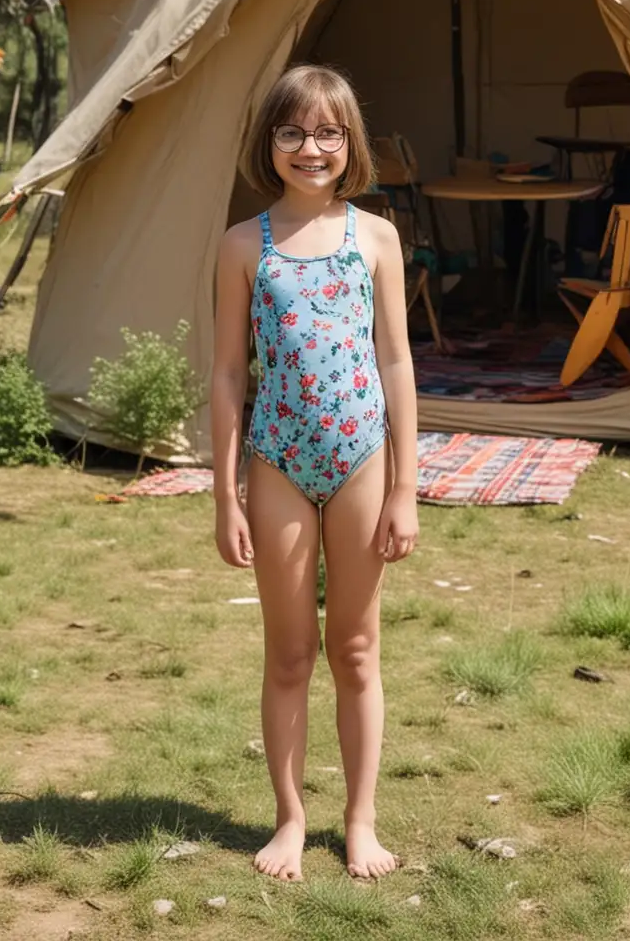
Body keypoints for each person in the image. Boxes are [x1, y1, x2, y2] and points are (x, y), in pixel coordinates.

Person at [210, 63, 420, 882]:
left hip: (362, 455)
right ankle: (291, 818)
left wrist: (405, 483)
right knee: (290, 652)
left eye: (328, 132)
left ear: (349, 144)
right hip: (277, 462)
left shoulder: (376, 238)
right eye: (293, 132)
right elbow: (230, 373)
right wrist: (224, 492)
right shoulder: (241, 246)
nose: (311, 147)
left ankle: (360, 820)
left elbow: (397, 359)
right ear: (271, 142)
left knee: (357, 648)